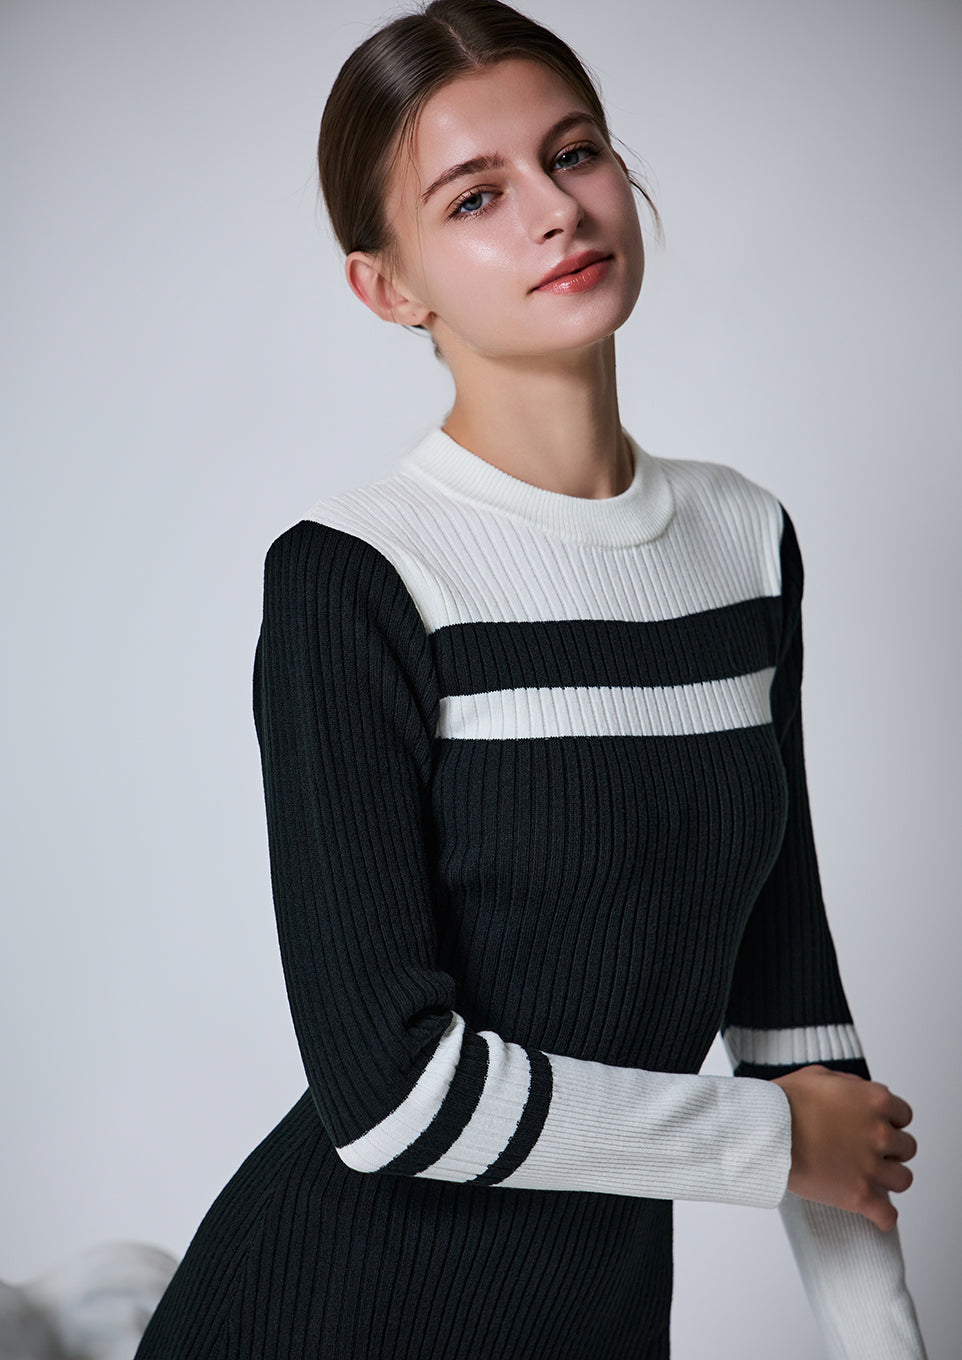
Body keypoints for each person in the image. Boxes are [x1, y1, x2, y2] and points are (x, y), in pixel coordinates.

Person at [134, 2, 928, 1356]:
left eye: (573, 154)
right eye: (475, 196)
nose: (556, 211)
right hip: (329, 1315)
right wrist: (766, 1141)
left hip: (599, 1318)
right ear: (390, 287)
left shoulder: (744, 541)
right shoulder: (357, 577)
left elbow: (794, 1012)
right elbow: (388, 1093)